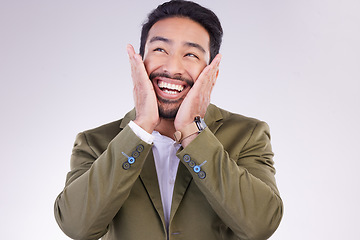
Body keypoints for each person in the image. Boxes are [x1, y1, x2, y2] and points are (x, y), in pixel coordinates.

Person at [54, 0, 283, 239]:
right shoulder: (94, 142)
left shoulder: (247, 135)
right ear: (140, 61)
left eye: (191, 54)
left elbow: (261, 225)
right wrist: (141, 128)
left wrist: (192, 132)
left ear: (212, 72)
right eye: (160, 50)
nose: (173, 68)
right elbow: (76, 226)